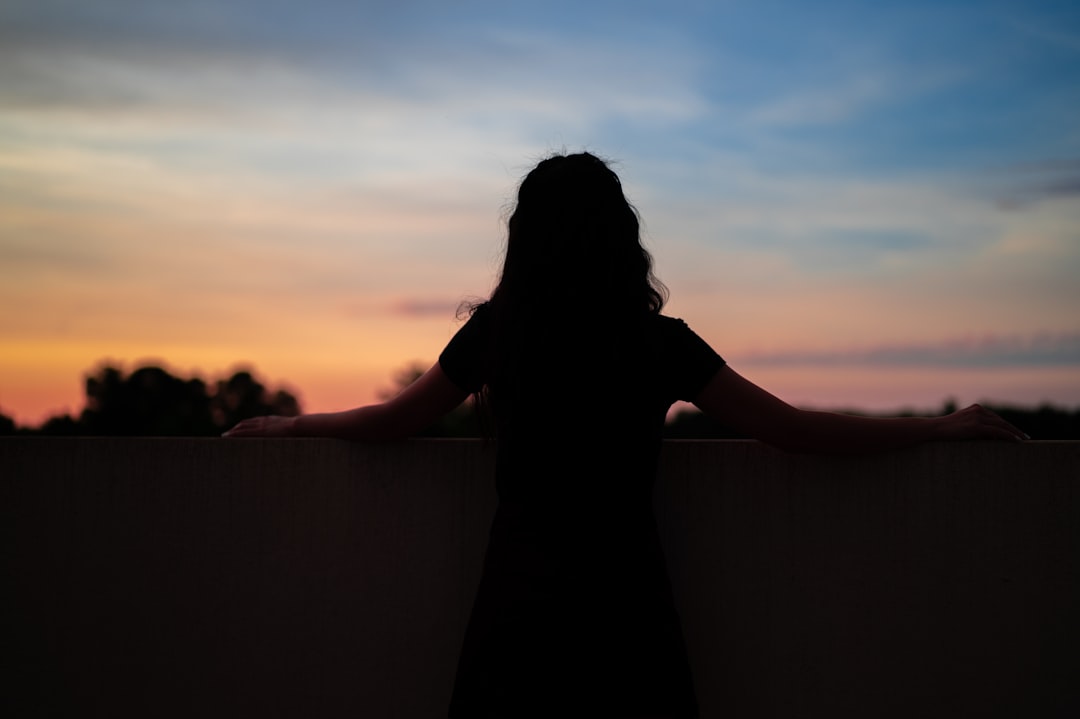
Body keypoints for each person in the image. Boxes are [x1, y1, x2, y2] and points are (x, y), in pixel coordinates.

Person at [224, 152, 1025, 718]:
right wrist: (937, 427)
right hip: (626, 614)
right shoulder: (659, 343)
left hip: (520, 612)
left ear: (526, 240)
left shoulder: (502, 334)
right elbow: (793, 429)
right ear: (621, 238)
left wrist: (288, 424)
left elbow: (391, 422)